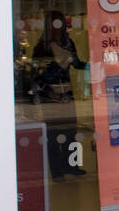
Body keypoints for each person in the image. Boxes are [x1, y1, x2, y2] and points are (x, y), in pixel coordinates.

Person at [31, 10, 89, 181]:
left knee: (71, 132)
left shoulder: (68, 43)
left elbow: (77, 63)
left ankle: (73, 165)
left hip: (67, 95)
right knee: (53, 135)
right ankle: (57, 170)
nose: (58, 27)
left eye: (60, 23)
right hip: (51, 97)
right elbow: (38, 76)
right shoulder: (41, 47)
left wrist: (92, 65)